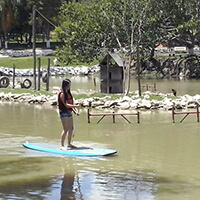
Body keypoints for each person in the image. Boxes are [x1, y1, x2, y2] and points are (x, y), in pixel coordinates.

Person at [58, 79, 79, 150]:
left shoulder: (68, 93)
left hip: (69, 112)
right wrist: (75, 106)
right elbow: (66, 105)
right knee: (66, 129)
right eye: (68, 85)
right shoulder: (62, 94)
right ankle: (61, 145)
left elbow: (71, 103)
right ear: (65, 85)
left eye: (70, 85)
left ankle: (69, 144)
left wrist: (75, 111)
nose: (69, 86)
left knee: (71, 128)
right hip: (63, 112)